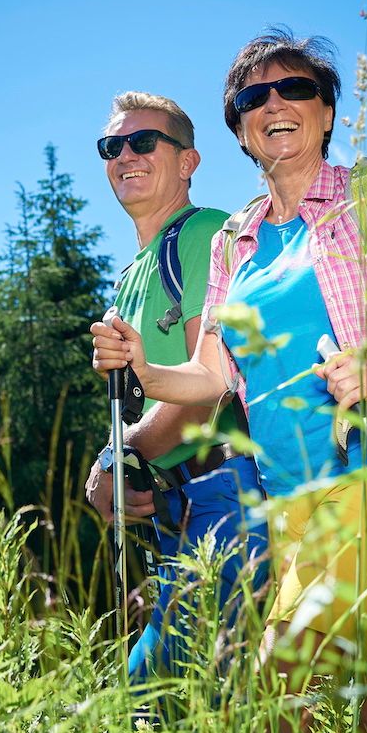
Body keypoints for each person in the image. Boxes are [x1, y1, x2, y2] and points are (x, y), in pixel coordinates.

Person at [90, 30, 367, 733]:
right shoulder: (236, 240)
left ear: (327, 112)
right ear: (239, 128)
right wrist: (144, 368)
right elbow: (211, 376)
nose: (274, 102)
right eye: (252, 95)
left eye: (295, 87)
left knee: (278, 682)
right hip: (285, 506)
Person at [83, 91, 269, 689]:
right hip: (179, 513)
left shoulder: (205, 234)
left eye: (143, 142)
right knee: (216, 699)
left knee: (149, 692)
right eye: (112, 146)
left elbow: (212, 388)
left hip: (228, 498)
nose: (124, 155)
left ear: (188, 161)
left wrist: (121, 456)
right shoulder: (132, 274)